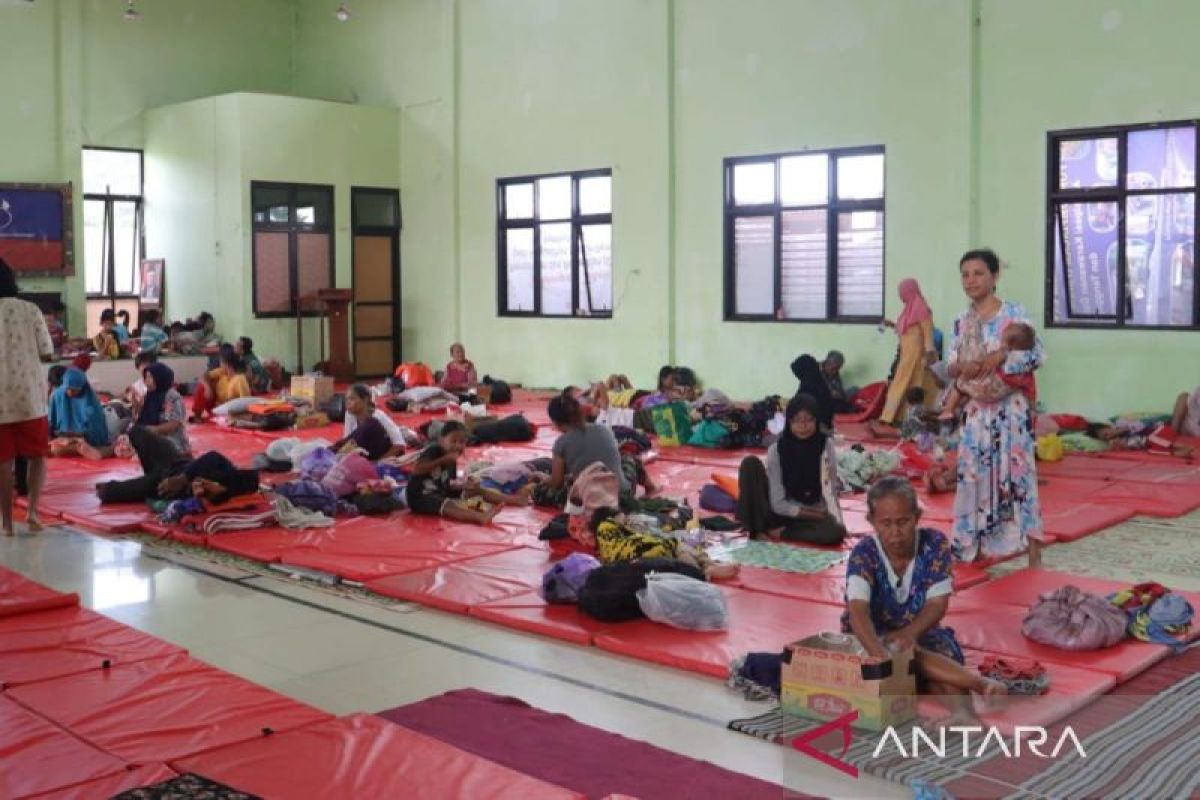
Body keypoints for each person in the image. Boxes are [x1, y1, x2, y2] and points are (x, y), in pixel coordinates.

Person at [843, 477, 1005, 724]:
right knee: (905, 655)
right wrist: (879, 654)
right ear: (872, 522)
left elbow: (937, 604)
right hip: (869, 634)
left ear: (917, 517)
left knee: (919, 654)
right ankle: (980, 685)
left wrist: (909, 634)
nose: (895, 532)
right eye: (885, 524)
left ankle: (963, 713)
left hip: (920, 630)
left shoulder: (934, 544)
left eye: (903, 522)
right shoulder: (863, 552)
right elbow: (857, 611)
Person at [948, 249, 1044, 566]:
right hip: (977, 412)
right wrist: (964, 366)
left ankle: (1029, 549)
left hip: (1010, 411)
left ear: (994, 276)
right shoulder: (962, 321)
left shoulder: (1014, 314)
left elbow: (1035, 355)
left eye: (978, 273)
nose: (971, 280)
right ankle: (970, 543)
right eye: (965, 274)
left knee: (1019, 473)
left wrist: (1001, 358)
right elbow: (952, 364)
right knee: (972, 474)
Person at [735, 393, 846, 545]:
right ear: (789, 422)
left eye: (808, 420)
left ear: (816, 420)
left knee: (834, 532)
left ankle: (781, 532)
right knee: (750, 464)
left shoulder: (826, 446)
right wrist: (816, 516)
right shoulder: (777, 450)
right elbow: (778, 504)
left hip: (808, 515)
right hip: (780, 512)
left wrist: (837, 520)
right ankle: (759, 528)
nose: (803, 426)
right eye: (797, 421)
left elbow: (830, 489)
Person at [0, 259, 55, 534]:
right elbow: (47, 351)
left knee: (3, 462)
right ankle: (33, 512)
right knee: (37, 457)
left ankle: (7, 523)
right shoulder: (30, 309)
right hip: (30, 398)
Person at [533, 391, 655, 508]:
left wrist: (543, 479)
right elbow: (611, 458)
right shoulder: (604, 429)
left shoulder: (561, 443)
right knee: (628, 458)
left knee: (539, 492)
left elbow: (556, 482)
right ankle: (651, 487)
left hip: (592, 500)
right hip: (623, 494)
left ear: (555, 422)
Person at [96, 427, 258, 506]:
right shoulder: (231, 477)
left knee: (107, 492)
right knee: (136, 432)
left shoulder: (201, 497)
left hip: (160, 482)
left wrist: (184, 486)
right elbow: (212, 456)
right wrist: (183, 478)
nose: (199, 486)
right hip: (175, 461)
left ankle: (140, 480)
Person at [590, 507, 739, 580]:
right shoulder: (609, 527)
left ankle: (707, 566)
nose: (625, 516)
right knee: (673, 544)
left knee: (675, 547)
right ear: (613, 517)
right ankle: (703, 572)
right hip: (635, 556)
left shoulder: (604, 540)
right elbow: (636, 540)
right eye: (621, 514)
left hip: (628, 561)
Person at [869, 279, 938, 437]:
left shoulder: (920, 307)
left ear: (910, 290)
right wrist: (892, 325)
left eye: (902, 292)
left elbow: (927, 332)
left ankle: (888, 417)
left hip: (916, 354)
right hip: (908, 353)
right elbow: (907, 330)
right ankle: (900, 417)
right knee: (911, 385)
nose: (900, 295)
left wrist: (929, 351)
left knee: (902, 383)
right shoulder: (910, 308)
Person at [405, 420, 507, 524]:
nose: (457, 446)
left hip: (440, 492)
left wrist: (464, 486)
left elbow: (448, 485)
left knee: (474, 490)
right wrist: (443, 460)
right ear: (441, 441)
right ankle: (479, 516)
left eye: (462, 442)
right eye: (453, 441)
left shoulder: (451, 461)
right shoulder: (434, 450)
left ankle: (511, 499)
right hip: (419, 496)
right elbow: (417, 470)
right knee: (448, 504)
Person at [939, 322, 1037, 421]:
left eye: (1002, 340)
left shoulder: (1002, 354)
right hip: (993, 397)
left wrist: (971, 366)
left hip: (991, 392)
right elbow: (1031, 389)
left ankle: (948, 410)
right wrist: (1033, 407)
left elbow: (983, 365)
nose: (1000, 342)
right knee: (967, 386)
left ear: (1009, 345)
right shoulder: (1024, 369)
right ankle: (954, 405)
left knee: (960, 383)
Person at [127, 362, 191, 460]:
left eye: (150, 377)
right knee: (128, 435)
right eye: (146, 377)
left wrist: (155, 430)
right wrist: (136, 404)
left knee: (166, 447)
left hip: (169, 435)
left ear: (160, 378)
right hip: (150, 433)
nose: (146, 380)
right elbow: (140, 417)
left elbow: (174, 423)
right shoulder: (149, 395)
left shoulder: (172, 397)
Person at [48, 368, 111, 457]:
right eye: (67, 389)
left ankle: (79, 448)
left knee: (57, 450)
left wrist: (77, 435)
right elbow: (50, 423)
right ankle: (78, 449)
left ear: (82, 387)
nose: (70, 392)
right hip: (61, 438)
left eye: (74, 390)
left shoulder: (91, 402)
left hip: (85, 439)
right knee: (48, 449)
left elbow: (97, 431)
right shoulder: (57, 395)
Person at [332, 384, 403, 461]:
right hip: (364, 452)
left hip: (381, 453)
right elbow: (348, 441)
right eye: (346, 399)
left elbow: (399, 445)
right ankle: (330, 453)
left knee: (370, 424)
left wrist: (379, 462)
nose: (347, 403)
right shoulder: (349, 415)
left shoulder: (378, 416)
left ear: (365, 399)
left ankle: (331, 453)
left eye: (352, 399)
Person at [191, 344, 251, 422]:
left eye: (221, 362)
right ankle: (197, 415)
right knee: (202, 386)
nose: (220, 364)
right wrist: (208, 388)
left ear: (227, 364)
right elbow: (203, 376)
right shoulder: (222, 372)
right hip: (218, 408)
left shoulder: (240, 379)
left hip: (229, 410)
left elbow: (245, 401)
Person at [789, 354, 835, 430]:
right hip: (822, 422)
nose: (797, 376)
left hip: (817, 425)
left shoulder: (810, 385)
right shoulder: (816, 380)